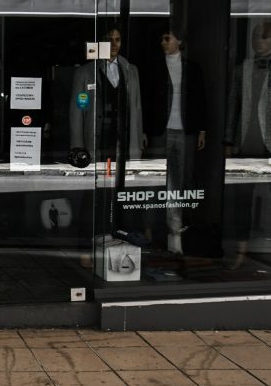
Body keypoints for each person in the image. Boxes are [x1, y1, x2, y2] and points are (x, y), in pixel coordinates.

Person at [224, 22, 271, 272]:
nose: (258, 41)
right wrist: (229, 141)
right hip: (246, 144)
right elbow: (233, 104)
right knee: (241, 203)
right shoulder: (243, 68)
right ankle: (242, 253)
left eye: (264, 37)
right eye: (255, 36)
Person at [69, 27, 145, 247]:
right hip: (96, 141)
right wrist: (77, 147)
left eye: (118, 39)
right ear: (100, 42)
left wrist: (137, 144)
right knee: (95, 192)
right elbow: (77, 111)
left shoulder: (131, 70)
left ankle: (120, 232)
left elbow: (137, 109)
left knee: (122, 190)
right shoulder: (85, 73)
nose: (114, 44)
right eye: (109, 39)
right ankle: (90, 235)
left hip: (122, 141)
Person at [143, 29, 207, 254]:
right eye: (161, 38)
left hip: (186, 131)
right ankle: (151, 230)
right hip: (162, 131)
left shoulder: (192, 68)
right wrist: (145, 130)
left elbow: (200, 99)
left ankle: (176, 231)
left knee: (182, 182)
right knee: (158, 181)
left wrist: (201, 129)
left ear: (180, 40)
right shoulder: (154, 67)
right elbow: (147, 101)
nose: (163, 42)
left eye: (167, 38)